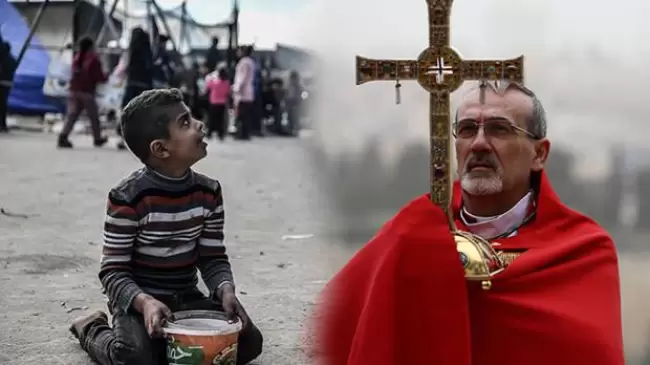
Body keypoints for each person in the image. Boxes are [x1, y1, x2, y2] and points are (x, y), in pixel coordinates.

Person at [312, 81, 624, 365]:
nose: (478, 144)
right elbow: (344, 315)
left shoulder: (585, 249)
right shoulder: (412, 227)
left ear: (539, 154)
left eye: (499, 129)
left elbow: (590, 351)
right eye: (466, 129)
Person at [68, 89, 263, 365]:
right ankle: (91, 328)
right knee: (135, 357)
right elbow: (113, 271)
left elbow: (212, 257)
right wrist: (144, 302)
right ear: (161, 148)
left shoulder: (209, 192)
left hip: (186, 297)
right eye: (185, 122)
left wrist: (224, 289)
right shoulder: (127, 198)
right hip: (137, 301)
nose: (199, 124)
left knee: (249, 343)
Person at [57, 36, 108, 148]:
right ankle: (97, 138)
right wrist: (106, 76)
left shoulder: (77, 58)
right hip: (87, 92)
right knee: (94, 117)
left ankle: (63, 136)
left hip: (74, 90)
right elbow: (98, 76)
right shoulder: (94, 59)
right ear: (91, 47)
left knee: (72, 115)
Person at [113, 27, 154, 150]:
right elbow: (150, 68)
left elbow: (123, 69)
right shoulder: (147, 52)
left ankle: (123, 138)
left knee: (128, 112)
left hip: (131, 85)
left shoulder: (130, 52)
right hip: (144, 86)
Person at [232, 45, 256, 140]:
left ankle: (241, 133)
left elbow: (242, 77)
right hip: (248, 92)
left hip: (242, 93)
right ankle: (245, 133)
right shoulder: (251, 62)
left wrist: (236, 88)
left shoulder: (243, 63)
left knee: (241, 115)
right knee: (246, 115)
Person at [205, 68, 231, 141]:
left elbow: (208, 86)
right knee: (220, 120)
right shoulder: (227, 83)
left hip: (213, 103)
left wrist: (211, 76)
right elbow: (228, 92)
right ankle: (220, 134)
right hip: (222, 103)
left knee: (211, 119)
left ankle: (209, 133)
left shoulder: (215, 82)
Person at [0, 41, 17, 133]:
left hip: (1, 83)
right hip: (8, 84)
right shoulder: (12, 59)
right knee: (3, 104)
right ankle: (3, 125)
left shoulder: (1, 59)